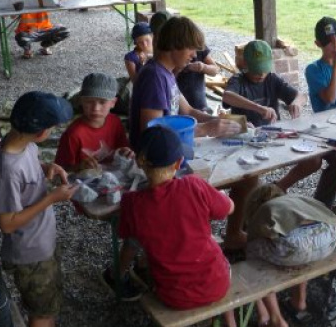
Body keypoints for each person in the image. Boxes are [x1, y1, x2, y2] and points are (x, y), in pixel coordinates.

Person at [129, 15, 247, 249]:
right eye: (191, 48)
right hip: (156, 165)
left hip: (173, 155)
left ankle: (230, 236)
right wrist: (206, 129)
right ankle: (194, 247)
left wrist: (227, 122)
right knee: (238, 177)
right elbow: (153, 135)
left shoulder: (166, 73)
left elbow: (190, 110)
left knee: (247, 175)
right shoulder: (154, 77)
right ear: (174, 45)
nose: (194, 55)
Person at [115, 126, 241, 326]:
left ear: (139, 162)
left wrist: (119, 272)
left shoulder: (131, 203)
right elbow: (229, 208)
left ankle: (126, 275)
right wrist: (220, 196)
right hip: (217, 284)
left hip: (173, 296)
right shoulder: (194, 185)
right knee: (208, 241)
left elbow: (131, 243)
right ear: (179, 163)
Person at [0, 91, 78, 327]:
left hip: (41, 242)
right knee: (41, 313)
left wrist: (46, 166)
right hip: (30, 252)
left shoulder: (22, 142)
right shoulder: (8, 171)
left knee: (48, 303)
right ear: (41, 133)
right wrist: (51, 198)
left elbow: (27, 165)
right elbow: (6, 223)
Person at [275, 17, 336, 206]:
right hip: (323, 129)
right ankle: (321, 203)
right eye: (329, 42)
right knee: (333, 160)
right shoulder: (313, 70)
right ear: (318, 44)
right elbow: (329, 98)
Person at [245, 183, 336, 323]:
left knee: (251, 252)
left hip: (296, 247)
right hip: (331, 236)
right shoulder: (296, 199)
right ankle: (299, 300)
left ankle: (271, 316)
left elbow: (252, 237)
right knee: (302, 251)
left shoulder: (265, 209)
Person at [55, 73, 133, 172]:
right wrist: (80, 166)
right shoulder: (73, 134)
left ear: (113, 103)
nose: (96, 108)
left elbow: (122, 148)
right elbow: (60, 169)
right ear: (81, 101)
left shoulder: (115, 122)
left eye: (102, 102)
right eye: (89, 101)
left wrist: (126, 152)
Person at [222, 39, 306, 127]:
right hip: (247, 131)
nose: (262, 74)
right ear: (245, 64)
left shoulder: (272, 79)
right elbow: (227, 96)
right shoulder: (237, 80)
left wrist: (296, 103)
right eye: (257, 70)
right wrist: (258, 108)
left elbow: (302, 96)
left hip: (273, 130)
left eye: (264, 69)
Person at [177, 46, 219, 113]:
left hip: (199, 106)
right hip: (178, 107)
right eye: (191, 49)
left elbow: (215, 70)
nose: (195, 55)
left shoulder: (199, 45)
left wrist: (203, 67)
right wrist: (185, 67)